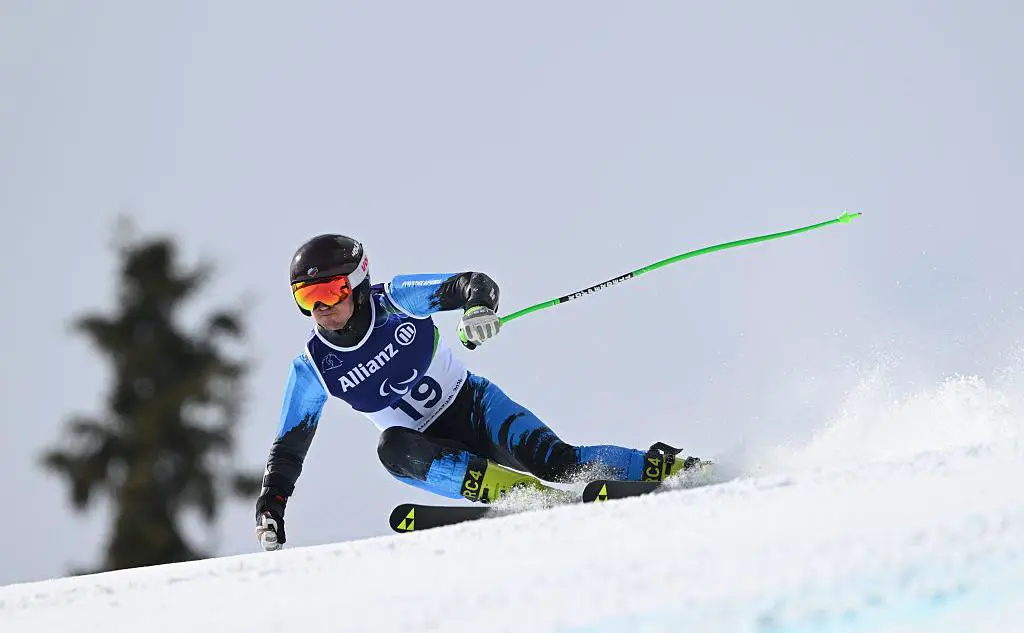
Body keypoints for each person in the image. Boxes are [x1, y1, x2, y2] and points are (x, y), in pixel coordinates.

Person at [255, 234, 703, 551]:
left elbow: (473, 283)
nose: (322, 309)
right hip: (426, 452)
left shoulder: (396, 301)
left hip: (476, 408)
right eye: (307, 298)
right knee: (391, 447)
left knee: (562, 463)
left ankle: (674, 468)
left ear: (356, 282)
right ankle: (520, 495)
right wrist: (271, 504)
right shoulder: (313, 367)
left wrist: (478, 310)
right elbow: (289, 449)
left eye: (330, 291)